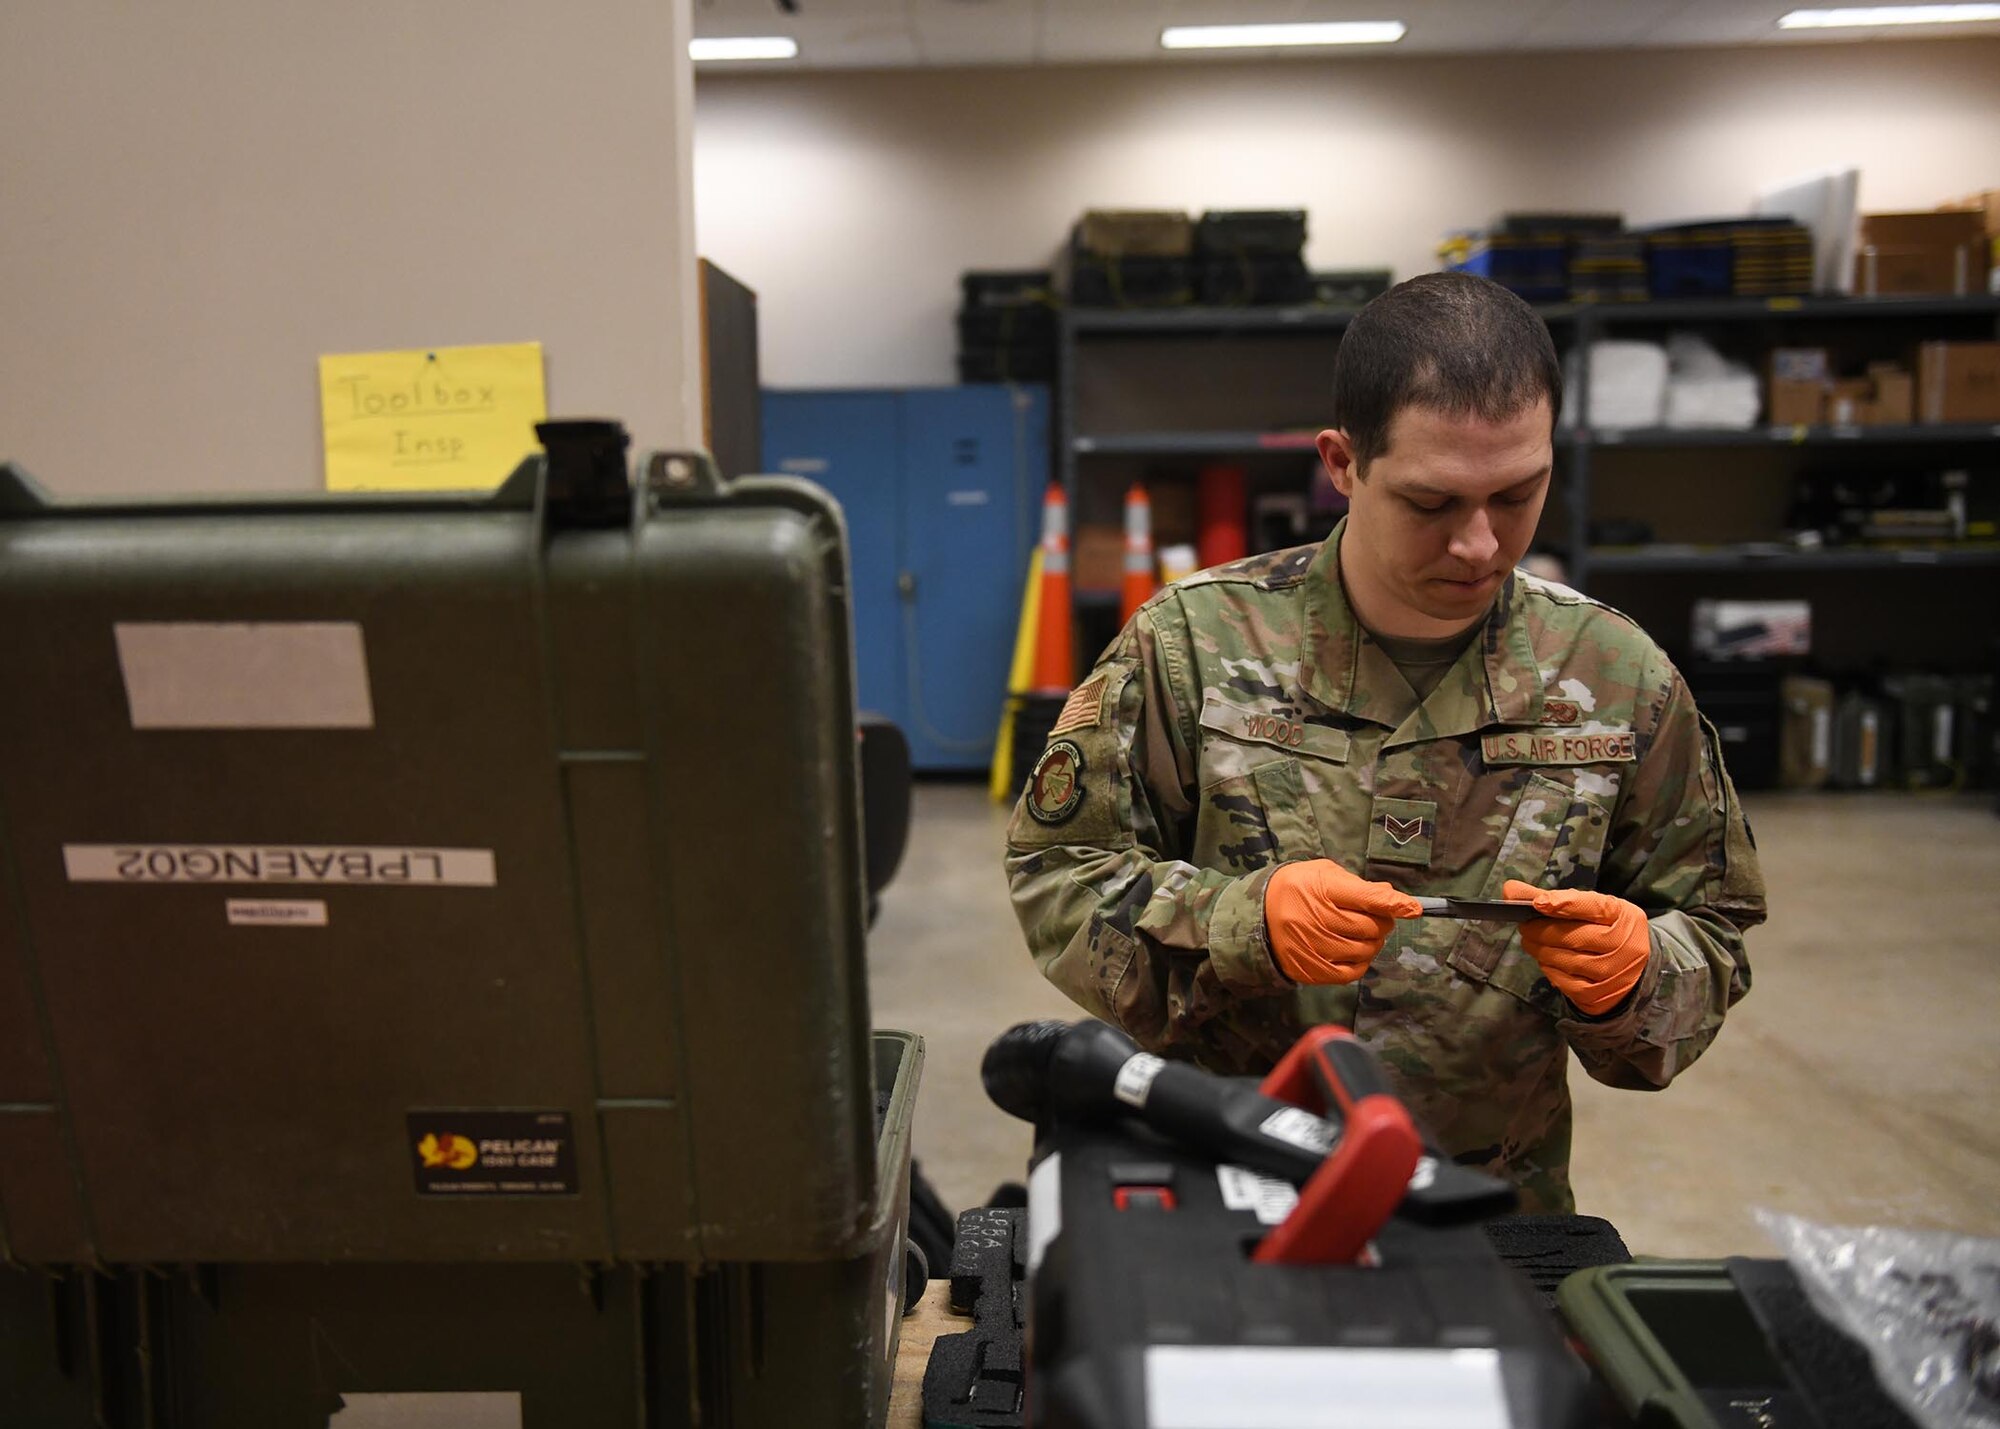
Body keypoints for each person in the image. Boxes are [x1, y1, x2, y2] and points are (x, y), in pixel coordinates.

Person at [1004, 271, 1765, 1213]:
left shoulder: (1617, 675)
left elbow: (1714, 928)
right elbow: (1059, 873)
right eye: (1433, 503)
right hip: (1229, 1187)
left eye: (1517, 495)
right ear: (1341, 462)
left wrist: (1638, 974)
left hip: (1486, 1210)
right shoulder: (1196, 643)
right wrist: (1244, 922)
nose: (1481, 544)